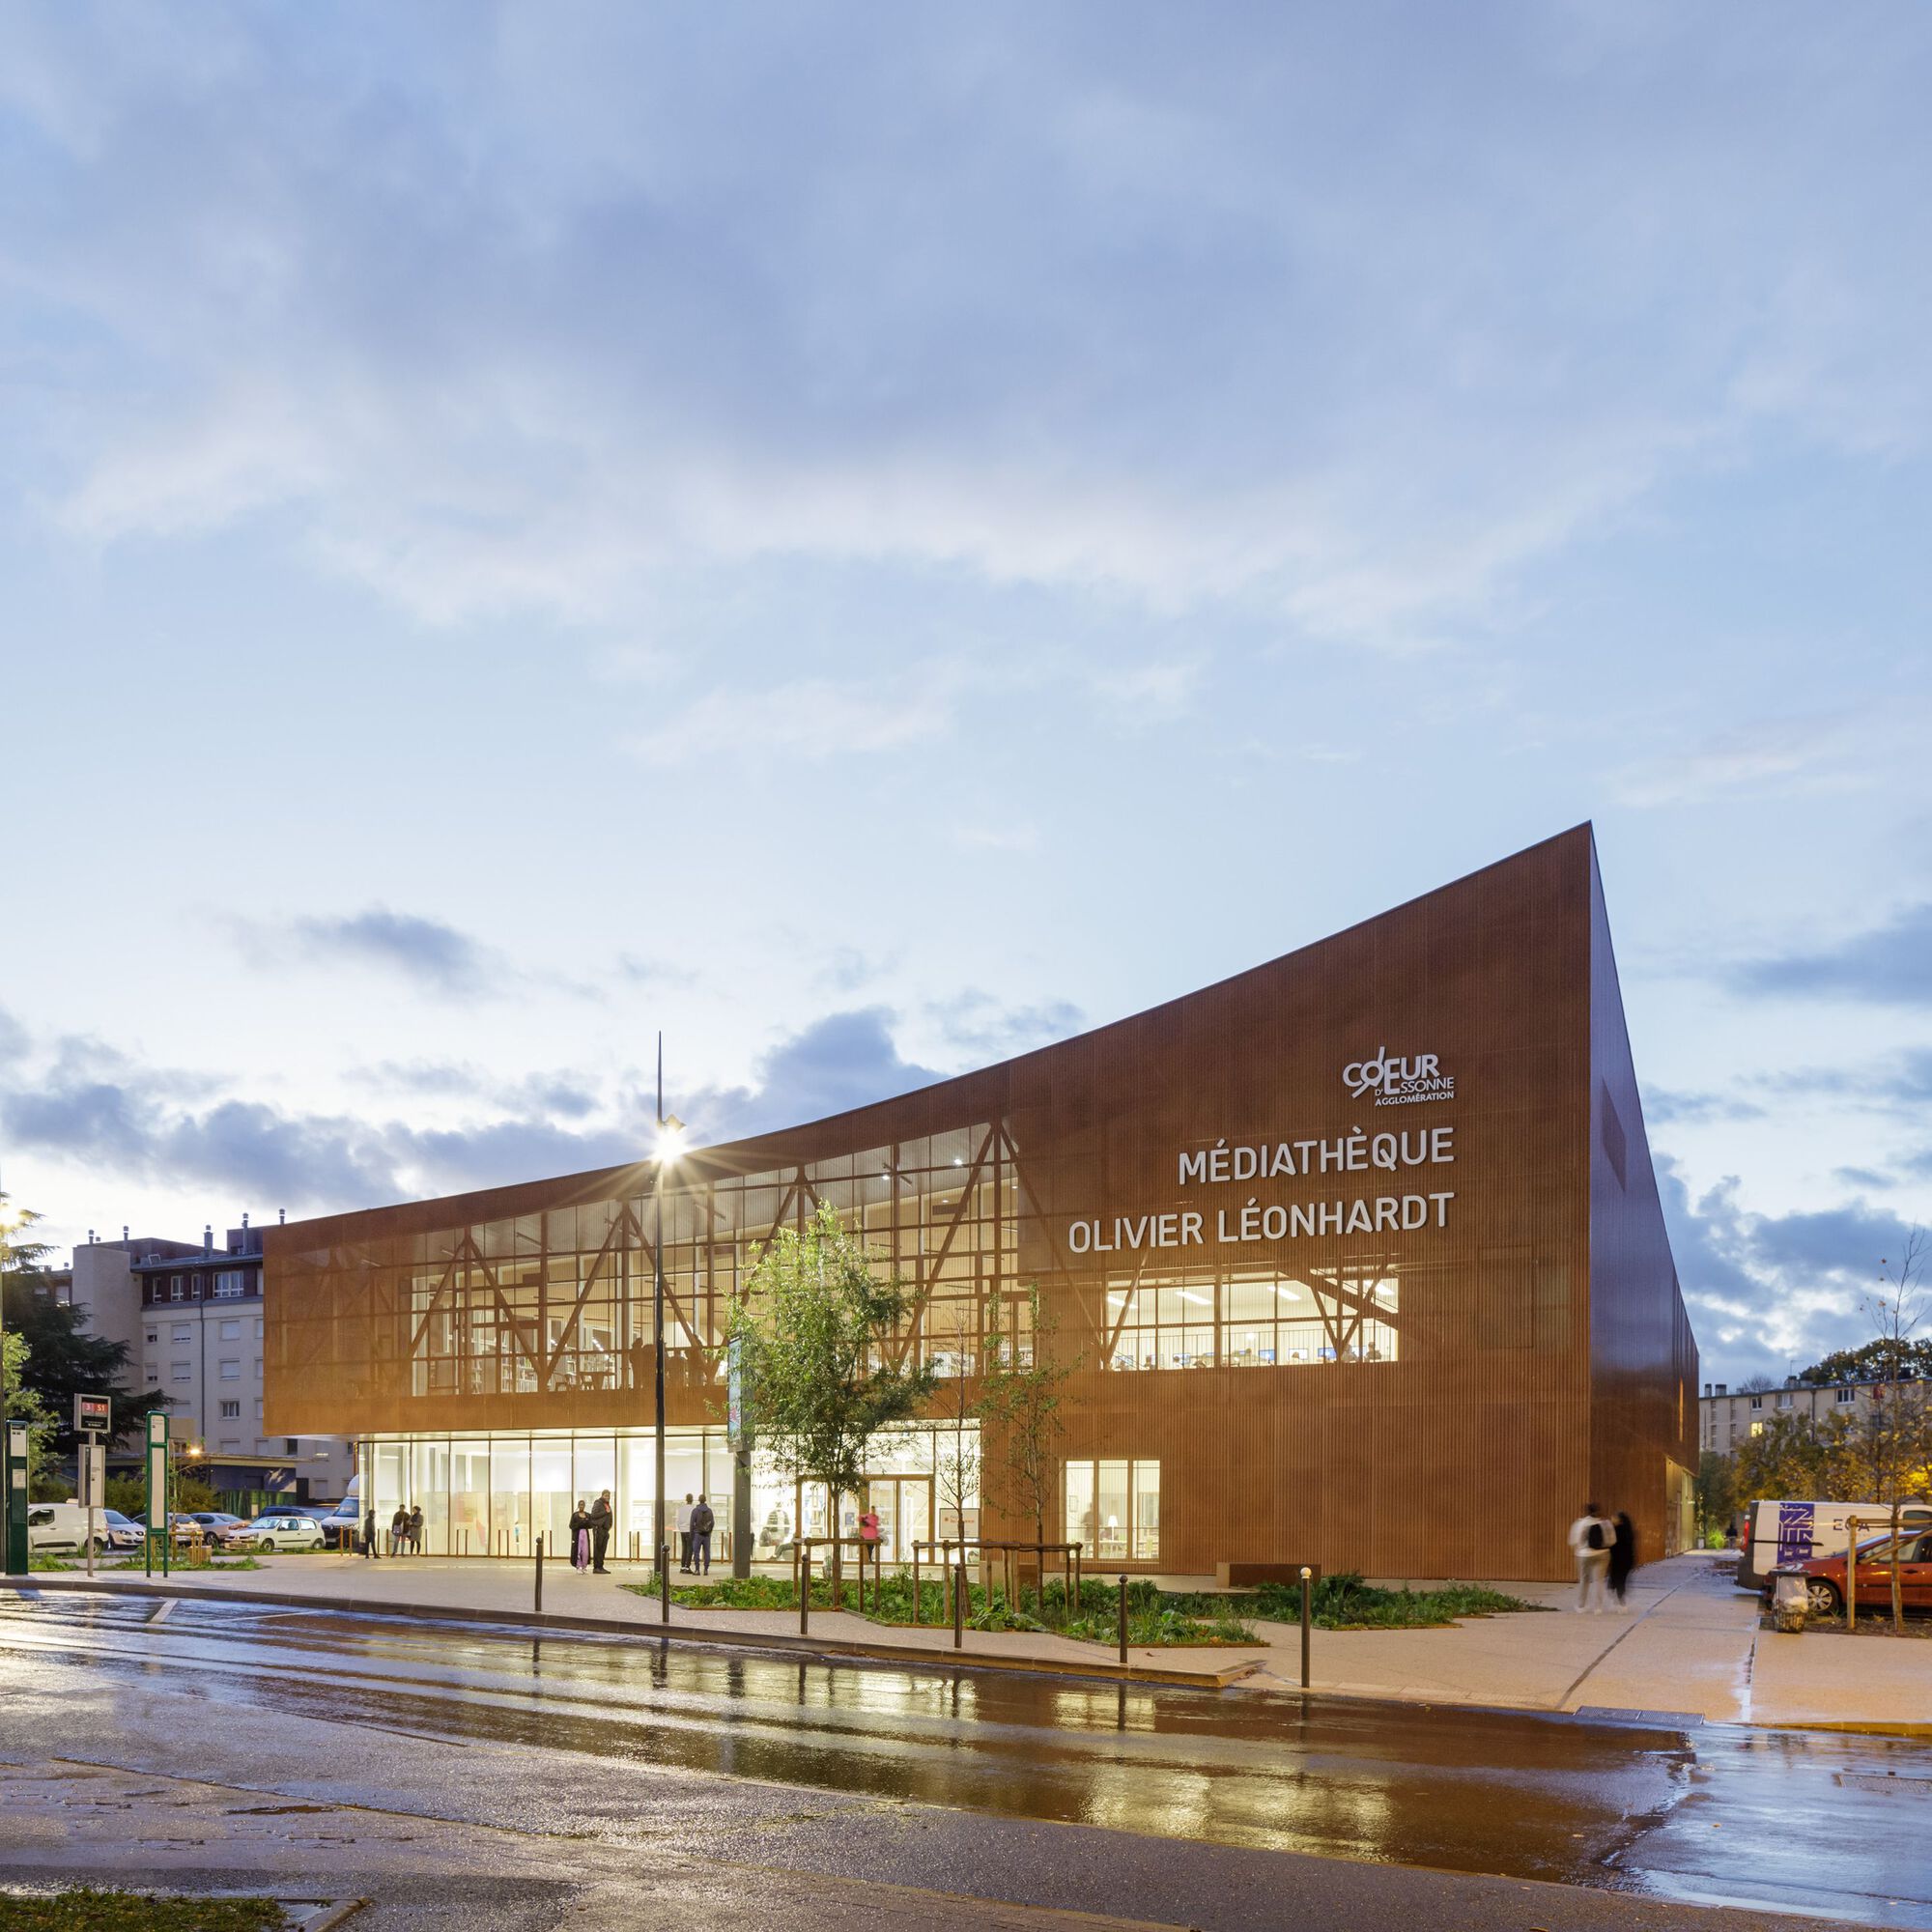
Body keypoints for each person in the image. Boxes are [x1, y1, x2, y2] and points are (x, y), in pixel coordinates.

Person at [1568, 1501, 1610, 1612]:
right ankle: (1598, 1608)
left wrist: (1579, 1549)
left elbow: (1573, 1541)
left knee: (1584, 1580)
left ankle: (1581, 1606)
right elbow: (1610, 1541)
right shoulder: (1604, 1524)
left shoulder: (1580, 1523)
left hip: (1584, 1554)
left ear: (1586, 1511)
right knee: (1599, 1580)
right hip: (1602, 1554)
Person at [1608, 1511, 1635, 1608]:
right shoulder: (1629, 1530)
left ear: (1619, 1520)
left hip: (1617, 1559)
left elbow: (1612, 1545)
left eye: (1614, 1517)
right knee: (1621, 1580)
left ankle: (1621, 1602)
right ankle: (1620, 1600)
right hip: (1627, 1559)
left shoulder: (1616, 1530)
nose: (1612, 1519)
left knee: (1617, 1580)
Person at [588, 1490, 613, 1575]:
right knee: (598, 1549)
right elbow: (593, 1515)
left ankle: (601, 1567)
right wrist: (605, 1512)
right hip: (598, 1529)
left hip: (605, 1530)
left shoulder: (607, 1505)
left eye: (608, 1496)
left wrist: (609, 1526)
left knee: (603, 1549)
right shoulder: (598, 1503)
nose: (607, 1497)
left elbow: (609, 1516)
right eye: (606, 1496)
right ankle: (596, 1568)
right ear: (602, 1495)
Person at [689, 1494, 714, 1576]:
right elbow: (712, 1523)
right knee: (707, 1552)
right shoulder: (709, 1511)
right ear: (705, 1500)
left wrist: (691, 1535)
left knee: (696, 1552)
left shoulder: (695, 1511)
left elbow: (691, 1524)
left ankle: (697, 1570)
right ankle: (706, 1570)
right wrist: (709, 1531)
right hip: (707, 1535)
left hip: (697, 1534)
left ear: (699, 1500)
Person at [569, 1500, 591, 1574]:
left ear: (584, 1506)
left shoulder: (588, 1515)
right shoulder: (575, 1515)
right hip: (577, 1535)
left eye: (583, 1505)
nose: (581, 1506)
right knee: (578, 1550)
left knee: (585, 1551)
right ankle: (578, 1567)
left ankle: (584, 1567)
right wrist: (579, 1524)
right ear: (578, 1506)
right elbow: (571, 1526)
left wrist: (586, 1523)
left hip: (585, 1534)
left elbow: (591, 1525)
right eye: (580, 1505)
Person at [677, 1493, 695, 1573]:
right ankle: (687, 1567)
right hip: (689, 1530)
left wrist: (681, 1528)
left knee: (684, 1548)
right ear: (692, 1499)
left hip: (682, 1530)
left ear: (686, 1499)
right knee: (690, 1549)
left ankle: (682, 1567)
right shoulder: (693, 1509)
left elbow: (678, 1521)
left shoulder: (681, 1509)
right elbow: (693, 1521)